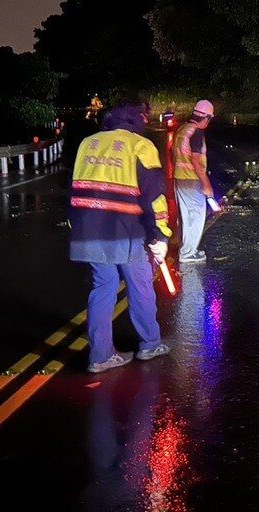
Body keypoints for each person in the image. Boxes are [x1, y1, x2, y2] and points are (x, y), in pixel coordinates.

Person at [69, 101, 173, 373]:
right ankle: (150, 343)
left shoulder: (87, 143)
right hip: (126, 230)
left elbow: (76, 187)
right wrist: (160, 235)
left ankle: (100, 355)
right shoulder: (141, 145)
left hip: (88, 229)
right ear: (139, 120)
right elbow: (154, 195)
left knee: (103, 285)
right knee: (139, 285)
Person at [173, 99, 215, 263]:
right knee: (195, 217)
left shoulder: (182, 129)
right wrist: (207, 184)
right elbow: (196, 160)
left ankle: (186, 249)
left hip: (180, 178)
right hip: (192, 180)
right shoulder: (196, 132)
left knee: (186, 215)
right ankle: (188, 252)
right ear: (206, 118)